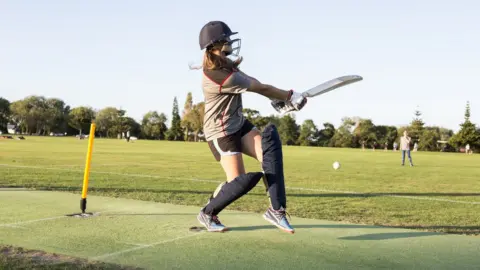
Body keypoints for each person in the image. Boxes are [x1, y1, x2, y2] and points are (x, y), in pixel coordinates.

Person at [195, 21, 308, 233]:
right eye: (226, 39)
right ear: (217, 43)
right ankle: (208, 212)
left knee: (269, 154)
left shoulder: (226, 65)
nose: (230, 42)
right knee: (236, 183)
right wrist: (289, 96)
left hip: (239, 124)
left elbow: (254, 83)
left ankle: (276, 210)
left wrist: (278, 99)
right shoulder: (219, 75)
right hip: (221, 132)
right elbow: (260, 87)